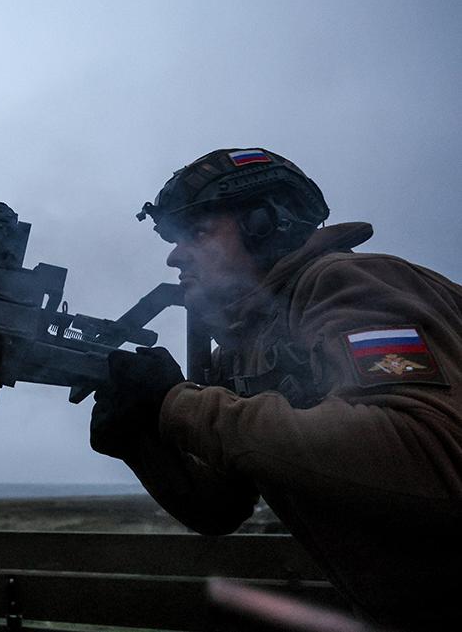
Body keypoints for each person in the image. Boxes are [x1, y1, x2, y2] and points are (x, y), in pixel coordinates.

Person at [90, 148, 462, 630]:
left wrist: (176, 403)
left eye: (197, 233)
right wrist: (140, 438)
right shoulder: (246, 345)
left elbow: (426, 456)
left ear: (266, 226)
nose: (174, 255)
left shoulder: (347, 283)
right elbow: (220, 508)